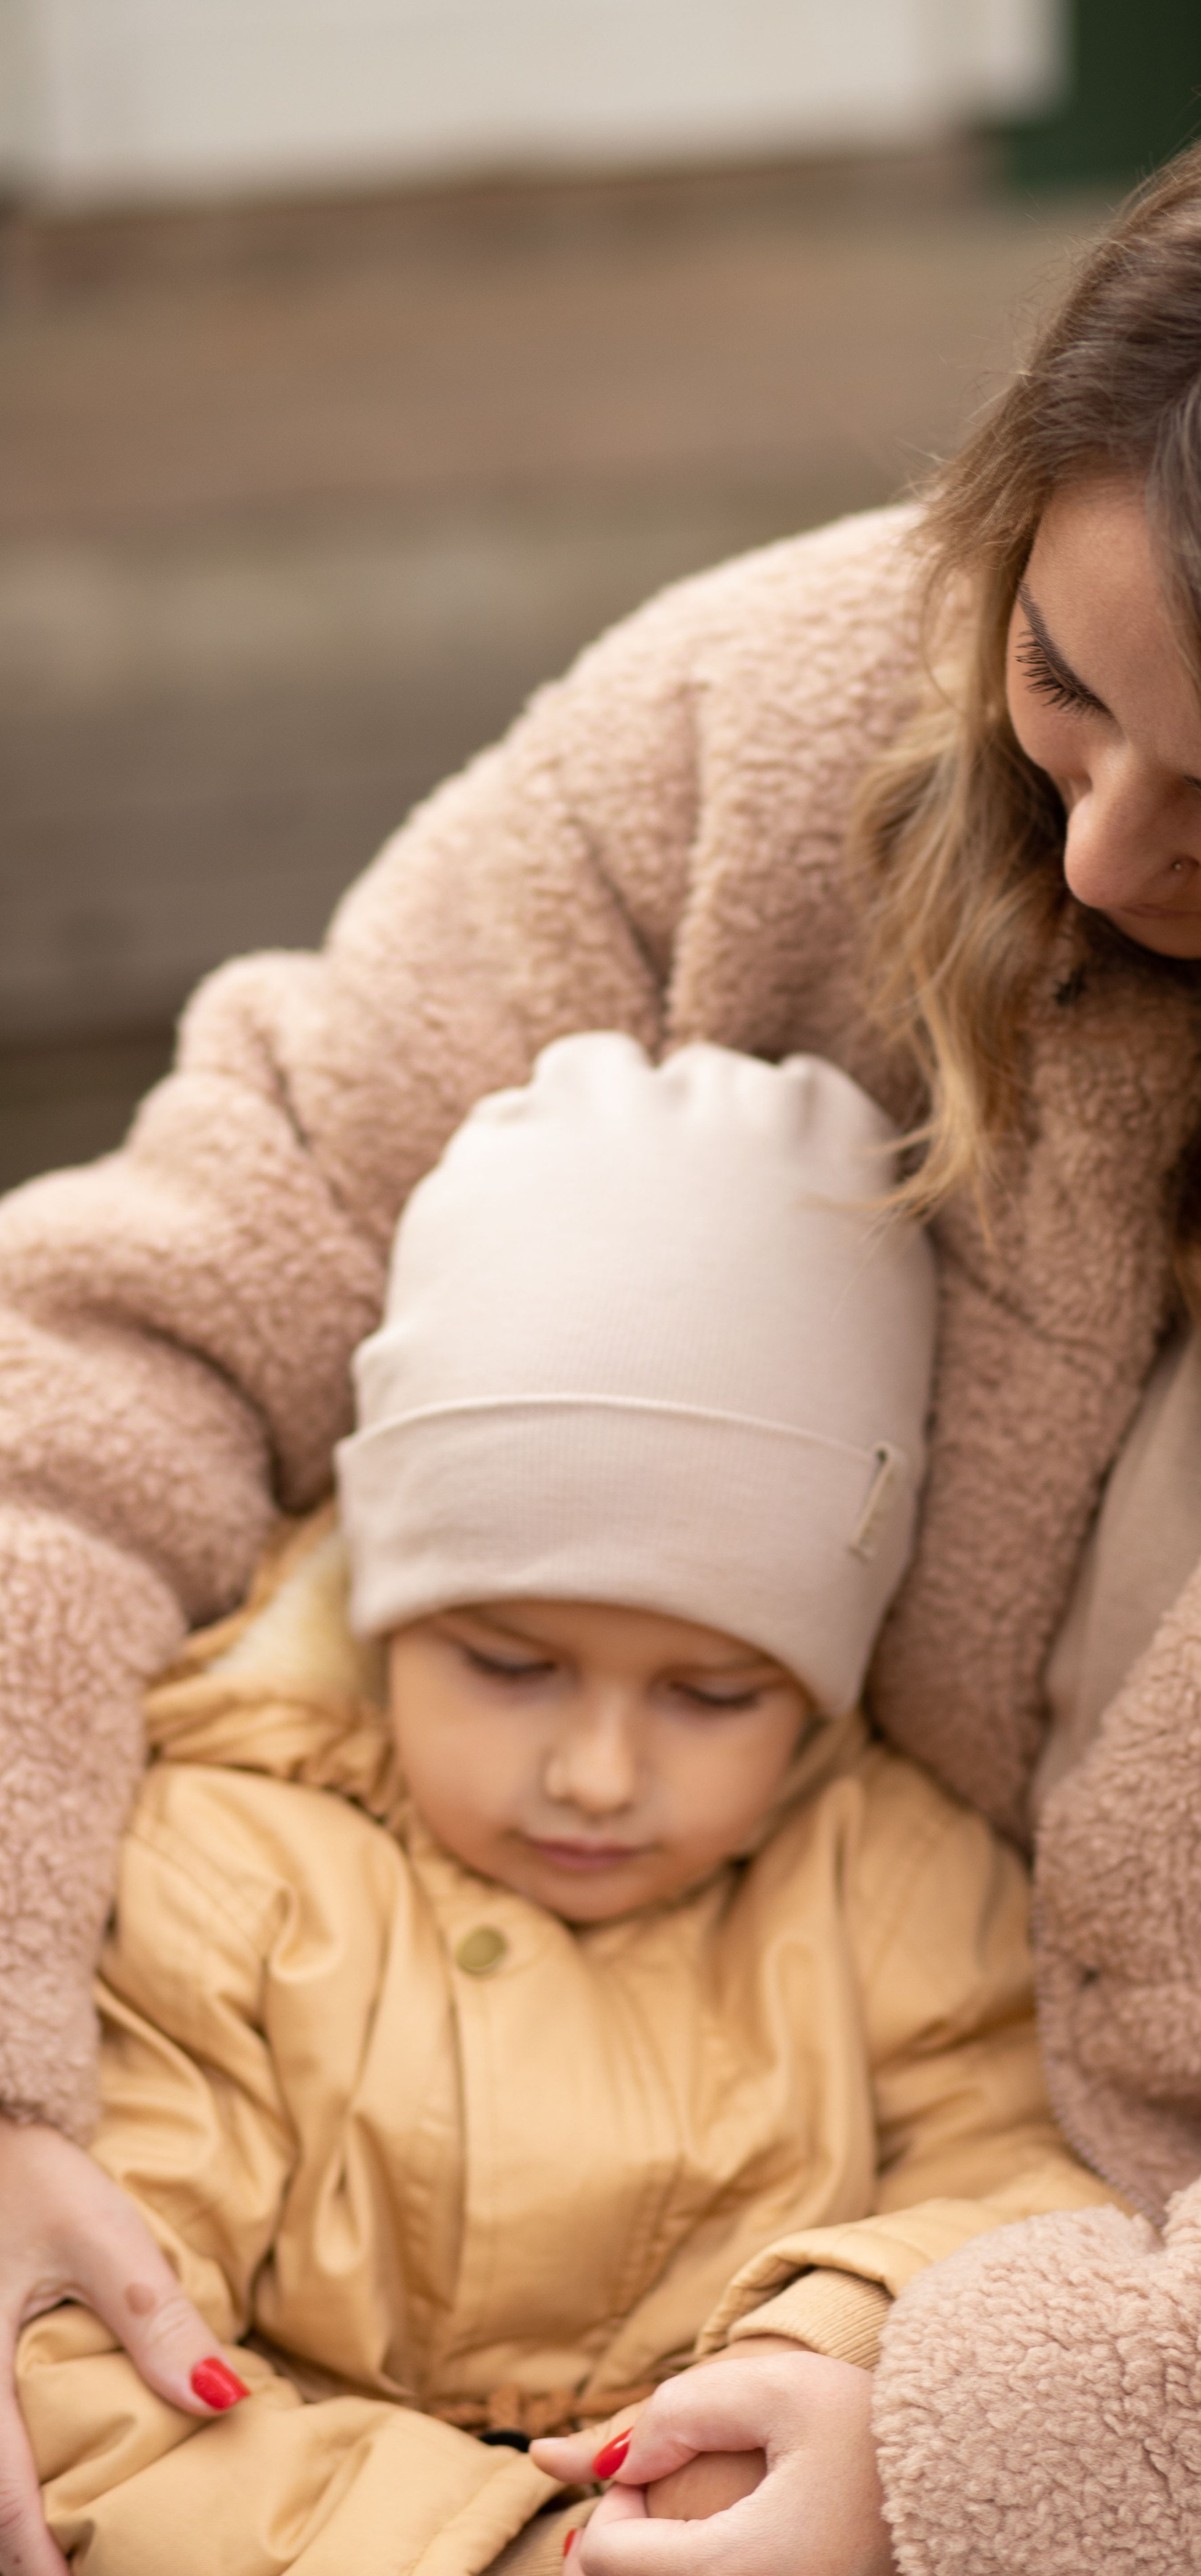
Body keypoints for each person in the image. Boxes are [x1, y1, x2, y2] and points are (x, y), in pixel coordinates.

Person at [1, 35, 1201, 2576]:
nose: (1093, 852)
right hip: (507, 2133)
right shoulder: (760, 731)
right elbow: (135, 1325)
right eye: (1065, 686)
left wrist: (1000, 2462)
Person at [14, 1031, 1115, 2575]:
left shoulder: (883, 1868)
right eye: (510, 1663)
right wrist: (499, 2547)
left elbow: (1023, 2176)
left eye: (709, 1693)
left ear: (817, 1684)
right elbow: (93, 2357)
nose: (597, 1771)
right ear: (391, 1612)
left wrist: (831, 2356)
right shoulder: (224, 1861)